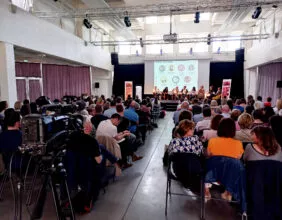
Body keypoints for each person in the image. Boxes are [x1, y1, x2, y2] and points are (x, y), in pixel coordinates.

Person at [206, 118, 244, 201]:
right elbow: (238, 158)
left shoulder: (212, 141)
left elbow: (209, 155)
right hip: (230, 174)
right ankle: (228, 192)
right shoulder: (238, 143)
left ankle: (206, 189)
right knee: (236, 165)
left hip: (215, 172)